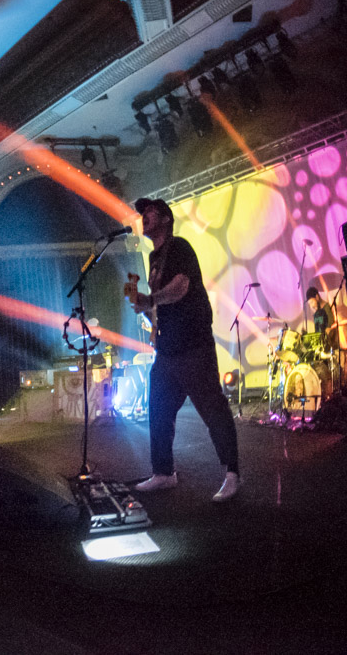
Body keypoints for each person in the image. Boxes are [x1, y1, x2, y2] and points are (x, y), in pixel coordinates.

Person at [128, 198, 240, 502]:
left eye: (149, 211)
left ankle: (232, 474)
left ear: (166, 218)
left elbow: (181, 286)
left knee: (213, 409)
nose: (143, 215)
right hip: (168, 349)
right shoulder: (154, 258)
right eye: (142, 212)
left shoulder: (179, 247)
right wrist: (145, 308)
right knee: (158, 409)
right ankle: (163, 473)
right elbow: (162, 304)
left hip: (193, 344)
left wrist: (151, 300)